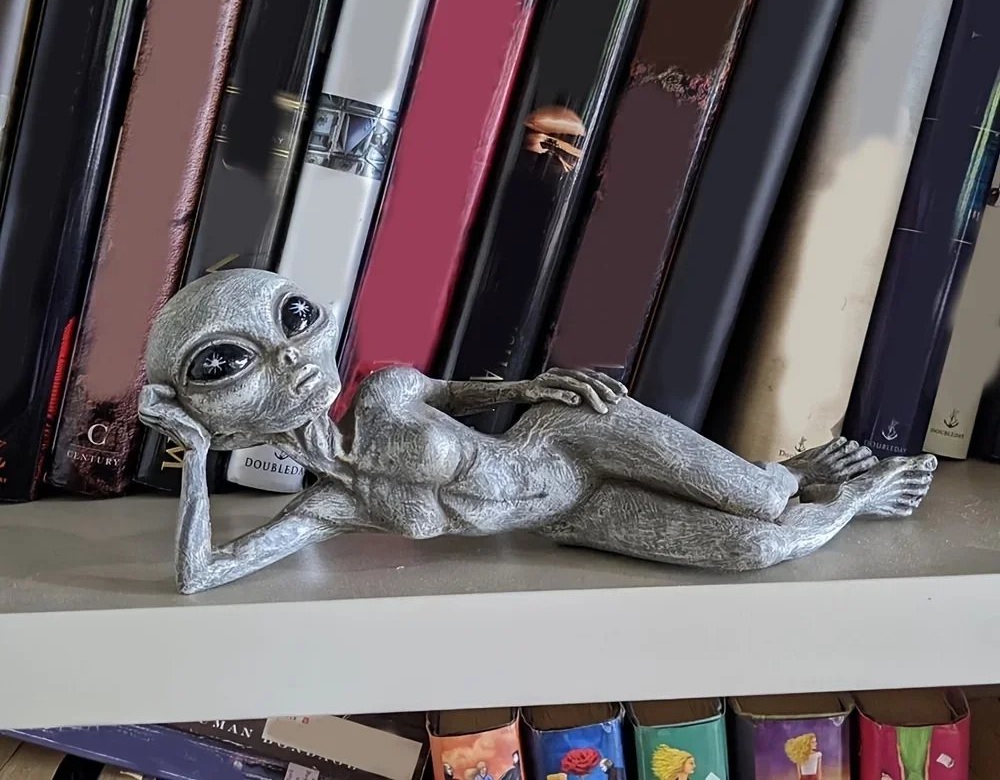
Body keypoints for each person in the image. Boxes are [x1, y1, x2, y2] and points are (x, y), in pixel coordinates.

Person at [139, 270, 938, 593]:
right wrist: (194, 451)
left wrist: (529, 386)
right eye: (226, 362)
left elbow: (451, 390)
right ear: (198, 408)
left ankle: (799, 473)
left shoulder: (385, 392)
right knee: (756, 548)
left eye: (294, 317)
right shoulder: (332, 508)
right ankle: (844, 492)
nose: (288, 356)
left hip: (571, 439)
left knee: (762, 500)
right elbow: (198, 575)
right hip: (570, 515)